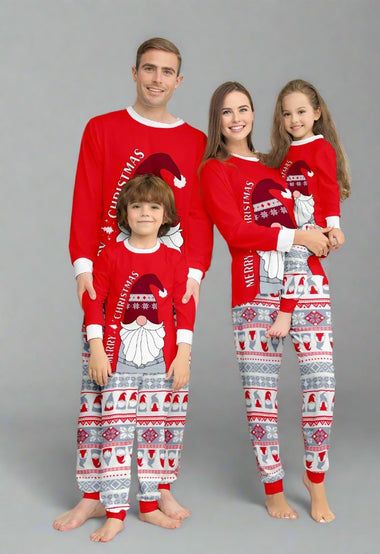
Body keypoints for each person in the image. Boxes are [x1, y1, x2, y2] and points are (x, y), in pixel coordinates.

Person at [54, 37, 212, 532]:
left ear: (179, 80)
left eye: (167, 71)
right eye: (149, 69)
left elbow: (197, 213)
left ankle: (157, 489)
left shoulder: (192, 141)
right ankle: (94, 495)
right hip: (109, 277)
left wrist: (194, 273)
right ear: (134, 72)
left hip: (168, 280)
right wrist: (83, 267)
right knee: (99, 394)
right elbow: (86, 196)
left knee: (166, 393)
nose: (157, 79)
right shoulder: (102, 129)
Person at [199, 81, 334, 522]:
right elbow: (237, 233)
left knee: (322, 385)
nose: (236, 118)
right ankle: (273, 487)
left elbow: (313, 204)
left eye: (244, 108)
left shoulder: (277, 163)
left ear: (257, 114)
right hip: (255, 291)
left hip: (307, 284)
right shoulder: (214, 170)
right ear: (216, 120)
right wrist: (298, 234)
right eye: (226, 112)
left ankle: (315, 480)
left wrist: (325, 233)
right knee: (262, 397)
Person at [84, 174, 195, 541]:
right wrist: (98, 348)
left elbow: (184, 307)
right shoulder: (111, 255)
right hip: (118, 361)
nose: (144, 213)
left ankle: (148, 506)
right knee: (115, 434)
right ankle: (115, 511)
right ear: (125, 213)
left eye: (153, 206)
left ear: (165, 215)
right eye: (136, 206)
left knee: (154, 433)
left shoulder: (175, 259)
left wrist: (183, 354)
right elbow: (94, 303)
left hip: (161, 363)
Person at [264, 78, 350, 339]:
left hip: (314, 225)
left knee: (298, 252)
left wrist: (334, 226)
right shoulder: (283, 153)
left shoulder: (321, 147)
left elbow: (328, 186)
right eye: (287, 114)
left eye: (301, 112)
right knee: (290, 254)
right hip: (290, 227)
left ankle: (286, 312)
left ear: (316, 113)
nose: (294, 120)